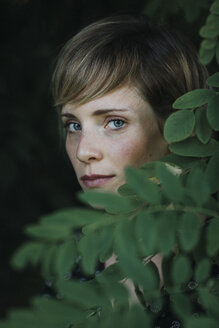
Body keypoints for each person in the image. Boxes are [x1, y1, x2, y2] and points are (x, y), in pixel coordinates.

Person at [52, 14, 208, 326]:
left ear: (176, 130)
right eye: (73, 125)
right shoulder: (76, 257)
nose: (83, 151)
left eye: (114, 122)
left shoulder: (209, 267)